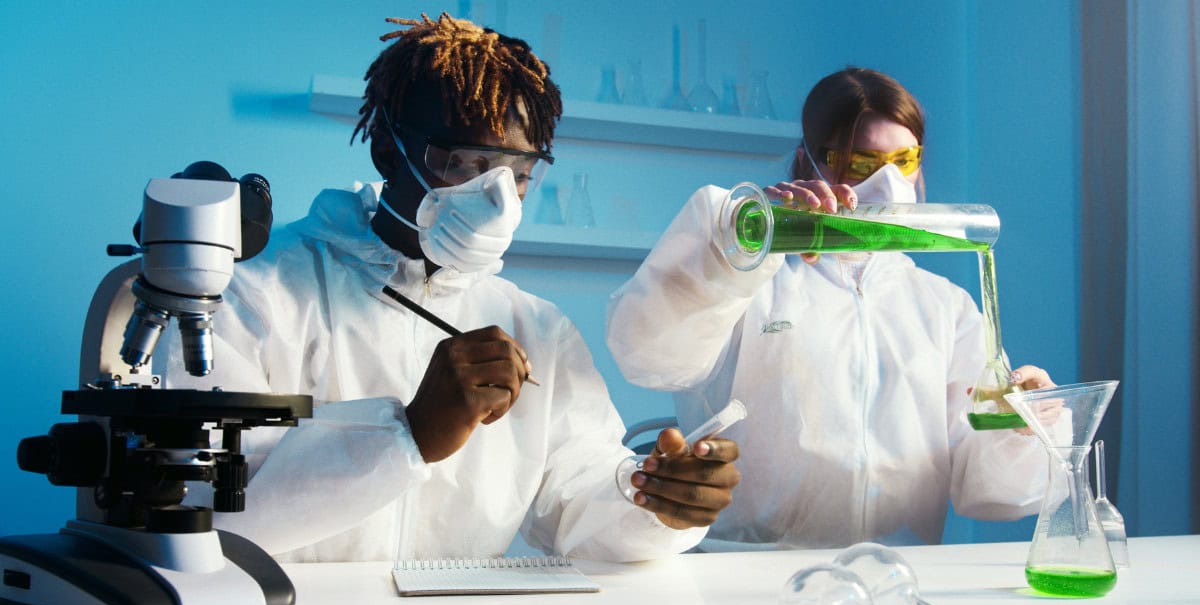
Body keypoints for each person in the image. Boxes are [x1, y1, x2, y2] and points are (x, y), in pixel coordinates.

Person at [161, 13, 739, 563]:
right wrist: (407, 435)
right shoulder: (256, 291)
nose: (498, 200)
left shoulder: (536, 327)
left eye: (518, 175)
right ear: (388, 149)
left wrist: (655, 500)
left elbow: (578, 495)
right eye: (465, 164)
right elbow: (208, 500)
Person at [606, 67, 1054, 550]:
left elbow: (990, 492)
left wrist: (1023, 423)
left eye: (904, 160)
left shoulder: (944, 306)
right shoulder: (750, 275)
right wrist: (740, 247)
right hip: (749, 579)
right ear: (808, 162)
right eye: (861, 163)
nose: (887, 182)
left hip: (897, 582)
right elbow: (647, 357)